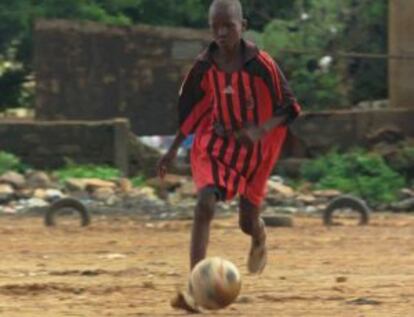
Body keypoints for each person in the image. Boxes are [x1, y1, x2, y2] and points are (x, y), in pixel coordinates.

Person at [156, 0, 301, 311]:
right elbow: (194, 110)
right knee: (204, 203)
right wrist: (171, 149)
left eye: (229, 26)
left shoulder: (262, 64)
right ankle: (195, 288)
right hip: (220, 146)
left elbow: (289, 107)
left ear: (243, 27)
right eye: (216, 27)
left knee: (246, 223)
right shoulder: (205, 65)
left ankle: (259, 234)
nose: (222, 33)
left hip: (257, 152)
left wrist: (260, 131)